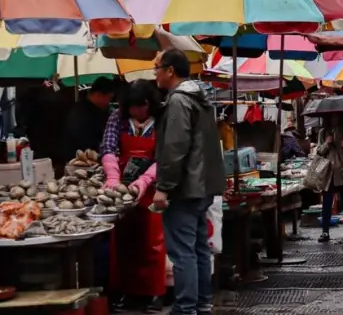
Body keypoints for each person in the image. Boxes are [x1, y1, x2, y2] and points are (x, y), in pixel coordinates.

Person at [152, 49, 225, 315]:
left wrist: (163, 187)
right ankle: (202, 303)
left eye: (157, 68)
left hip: (185, 188)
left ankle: (185, 308)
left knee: (183, 252)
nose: (155, 74)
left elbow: (175, 147)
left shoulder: (178, 101)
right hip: (203, 186)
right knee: (197, 249)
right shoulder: (200, 99)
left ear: (170, 70)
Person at [100, 81, 165, 313]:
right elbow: (108, 148)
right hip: (121, 191)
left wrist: (145, 181)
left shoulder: (163, 120)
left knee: (152, 242)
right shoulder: (117, 118)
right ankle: (126, 292)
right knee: (124, 241)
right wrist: (113, 179)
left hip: (152, 190)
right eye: (134, 107)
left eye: (143, 107)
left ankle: (153, 293)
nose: (138, 112)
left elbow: (164, 156)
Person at [316, 114, 343, 242]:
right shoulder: (323, 132)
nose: (334, 118)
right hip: (328, 172)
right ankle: (325, 231)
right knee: (327, 202)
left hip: (342, 171)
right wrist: (326, 144)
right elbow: (319, 151)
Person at [64, 77, 116, 164]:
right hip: (81, 161)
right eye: (108, 98)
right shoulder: (82, 112)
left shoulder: (85, 108)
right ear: (98, 95)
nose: (108, 103)